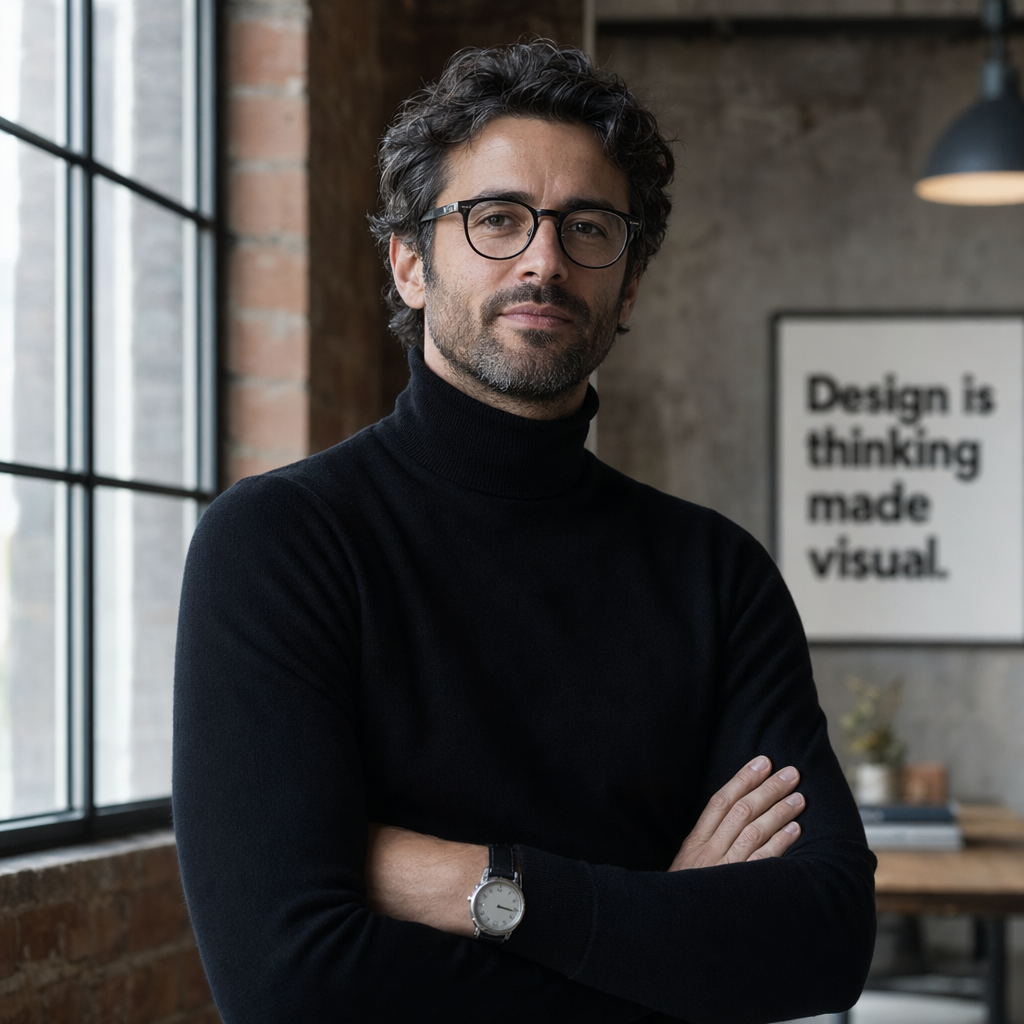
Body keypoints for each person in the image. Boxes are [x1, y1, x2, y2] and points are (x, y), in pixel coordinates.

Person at [173, 41, 876, 1023]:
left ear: (627, 288)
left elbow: (824, 940)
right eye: (497, 218)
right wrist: (668, 925)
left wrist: (477, 882)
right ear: (410, 261)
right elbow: (289, 984)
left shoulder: (716, 574)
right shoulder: (281, 544)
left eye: (587, 228)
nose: (543, 260)